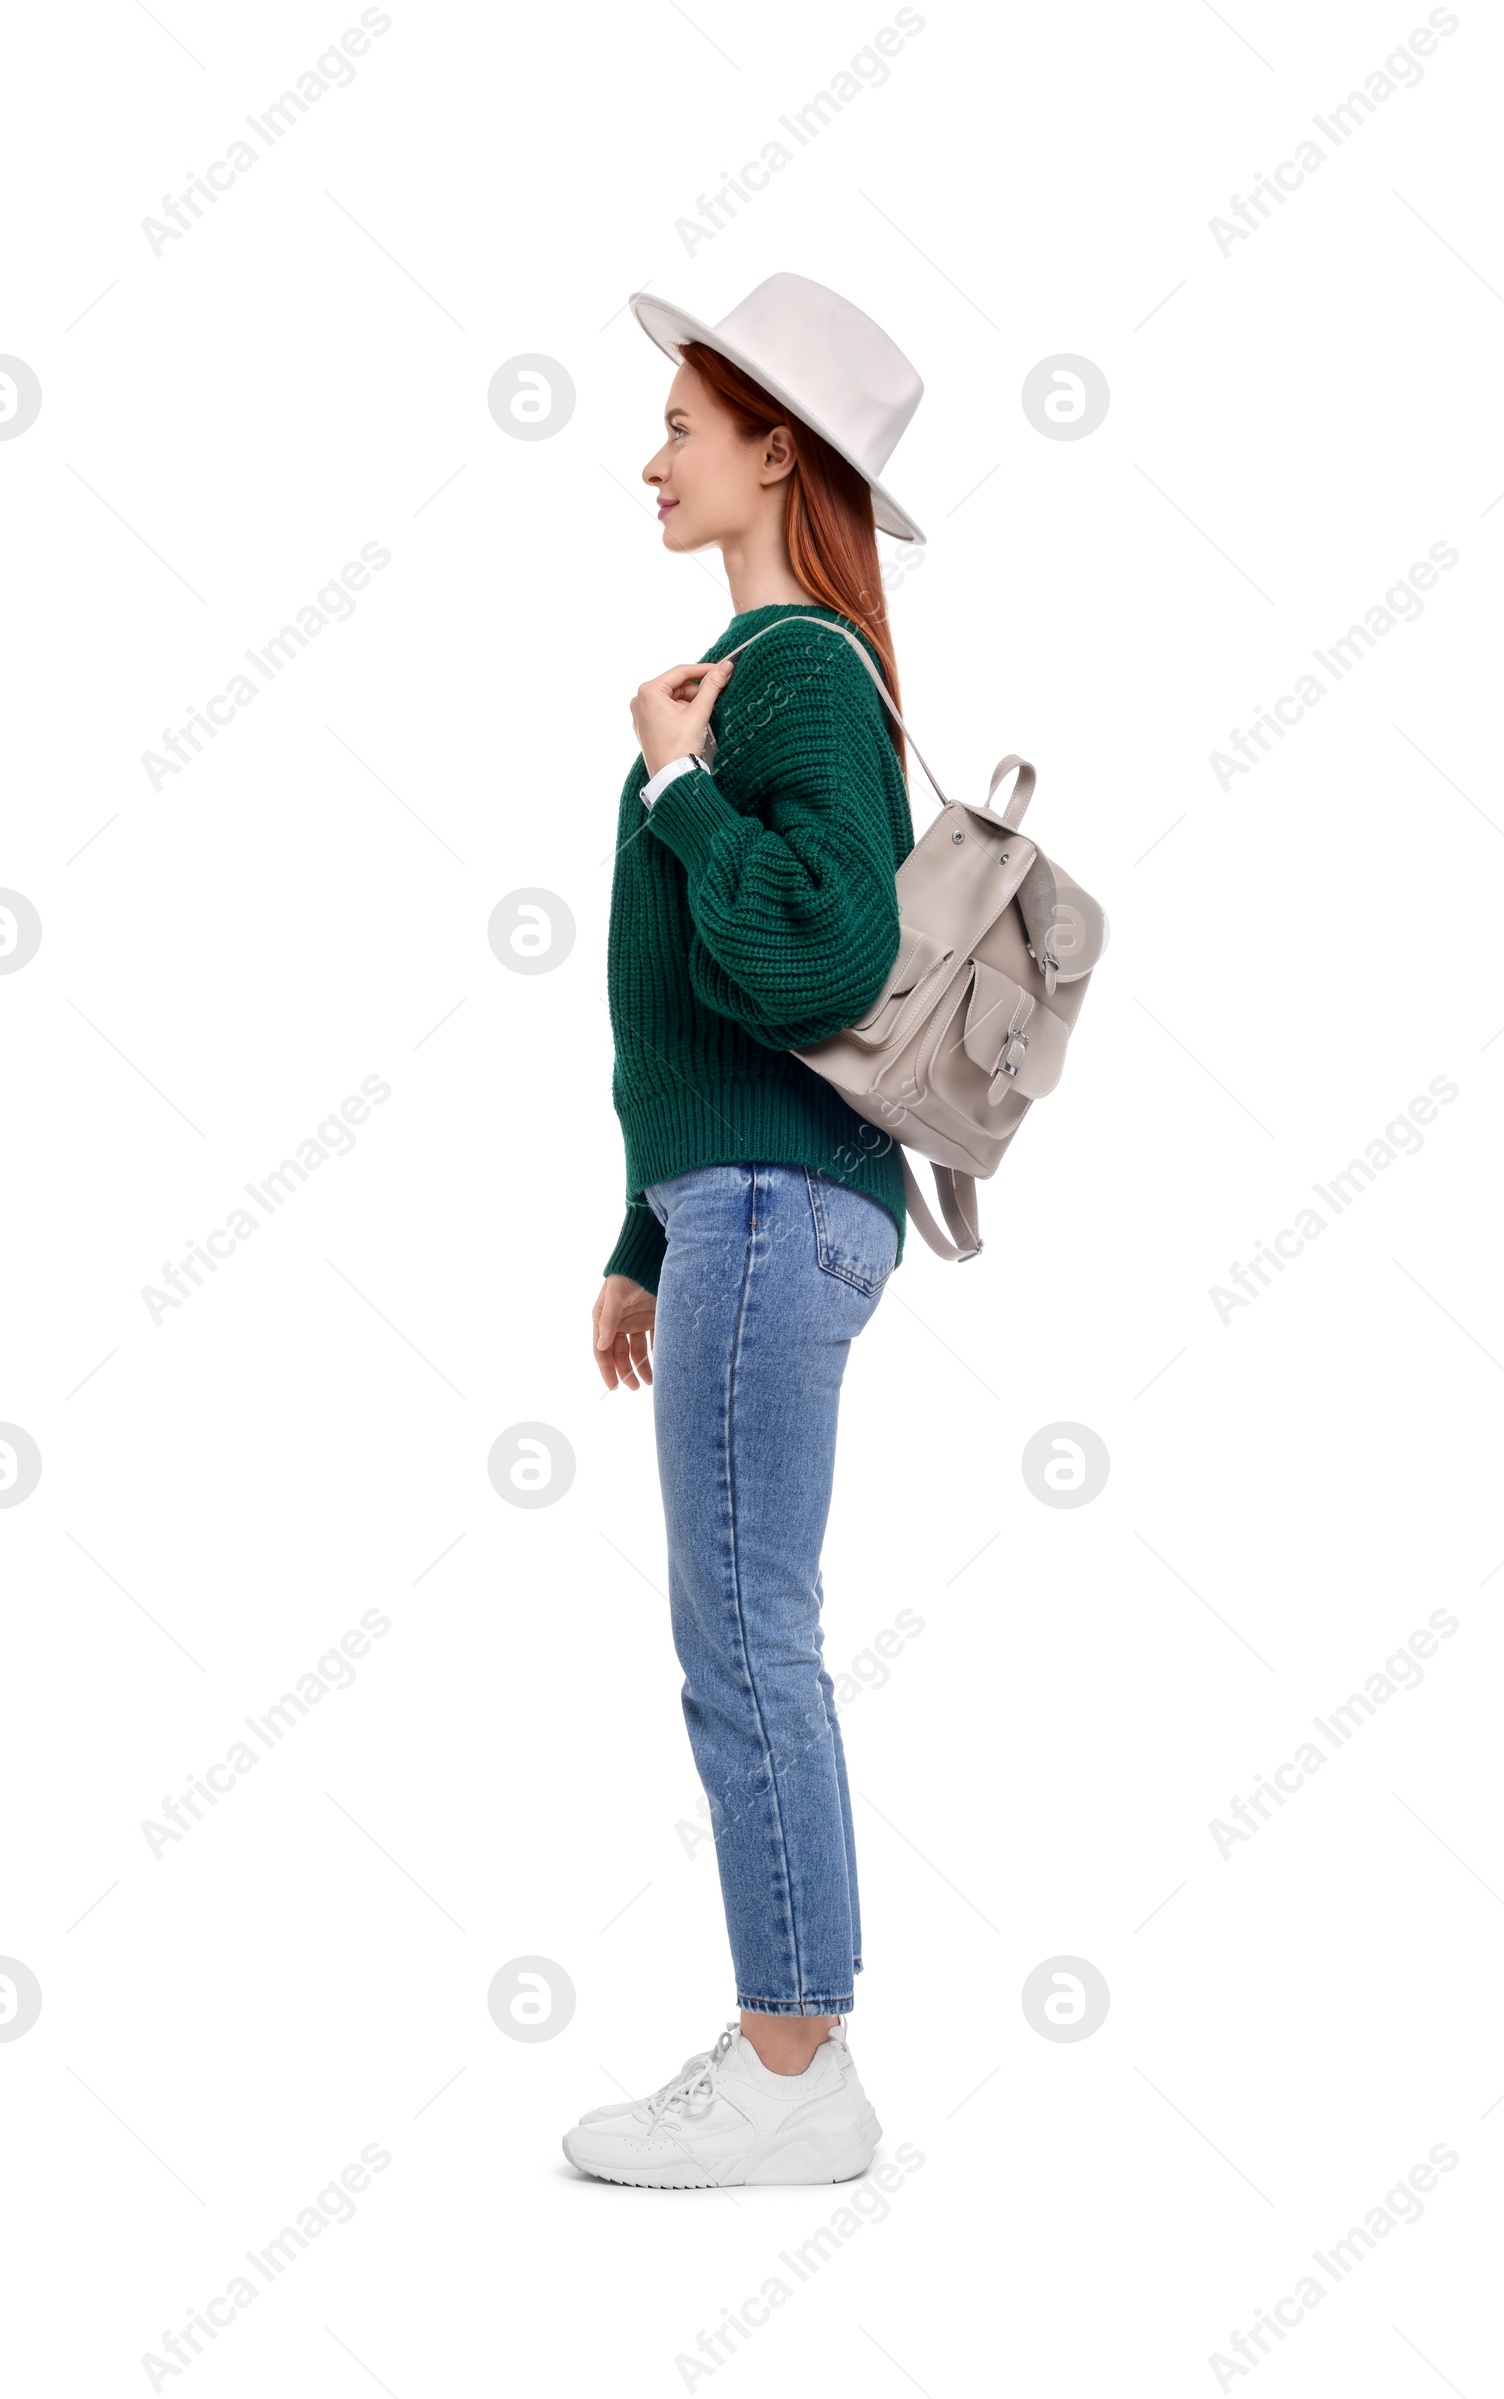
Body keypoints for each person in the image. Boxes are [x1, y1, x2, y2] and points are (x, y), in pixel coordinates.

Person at [564, 273, 929, 2188]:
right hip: (749, 1205)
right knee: (748, 1629)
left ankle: (796, 2072)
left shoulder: (784, 681)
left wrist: (678, 783)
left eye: (684, 432)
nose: (651, 460)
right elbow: (692, 1012)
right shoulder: (756, 681)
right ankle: (799, 2051)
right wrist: (641, 1232)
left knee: (745, 1637)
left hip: (781, 1211)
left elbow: (821, 951)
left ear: (774, 451)